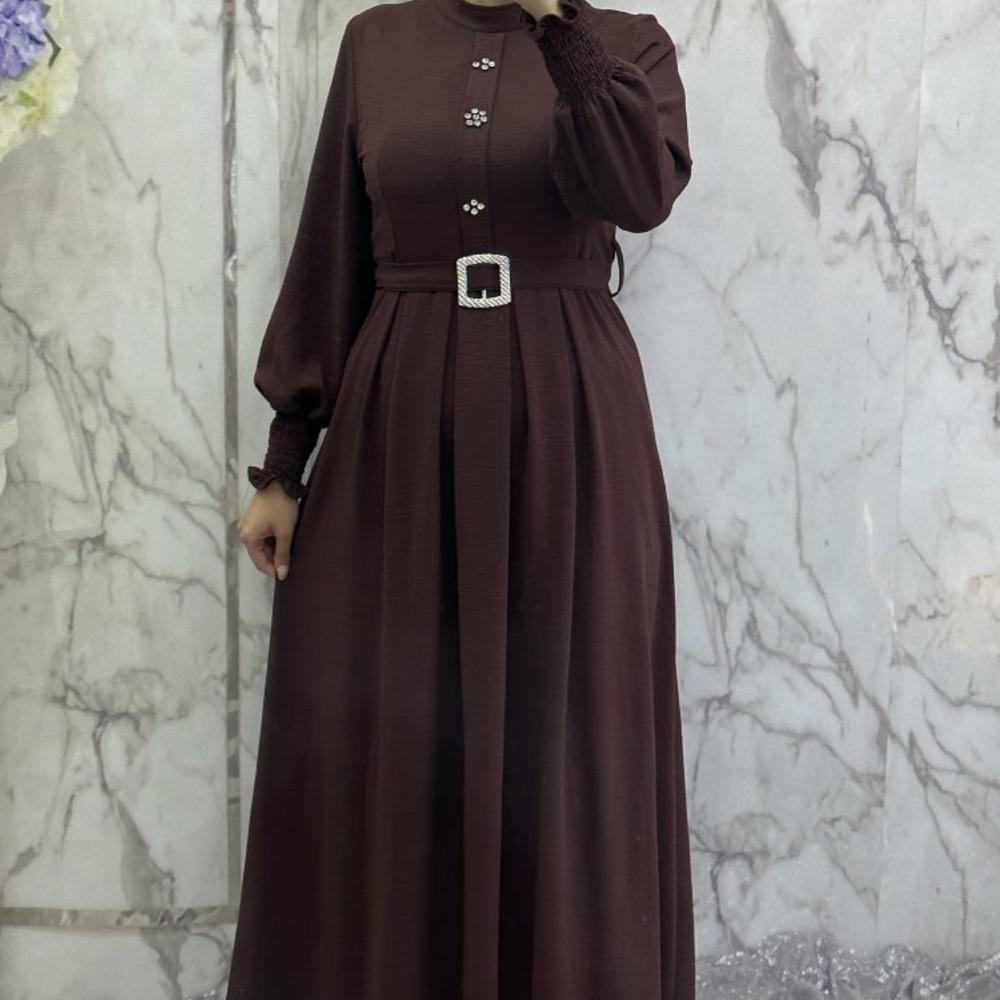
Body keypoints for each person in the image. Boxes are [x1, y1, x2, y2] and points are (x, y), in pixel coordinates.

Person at [228, 0, 695, 995]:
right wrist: (284, 461)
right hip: (396, 437)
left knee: (564, 735)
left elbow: (641, 192)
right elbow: (333, 252)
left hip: (570, 437)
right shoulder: (377, 42)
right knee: (394, 725)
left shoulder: (628, 45)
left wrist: (559, 29)